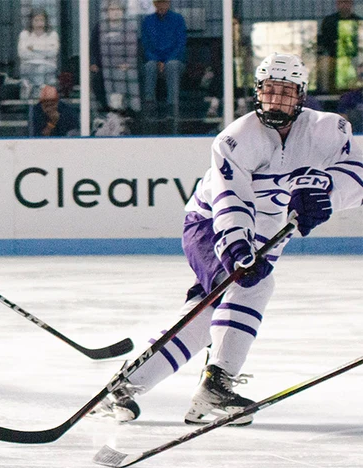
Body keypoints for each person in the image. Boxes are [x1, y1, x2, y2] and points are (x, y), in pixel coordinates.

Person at [92, 53, 363, 426]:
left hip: (269, 232)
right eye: (270, 90)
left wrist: (327, 192)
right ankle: (217, 386)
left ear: (300, 96)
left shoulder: (328, 130)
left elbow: (357, 172)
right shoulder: (235, 139)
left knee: (209, 313)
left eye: (286, 92)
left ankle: (126, 386)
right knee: (250, 286)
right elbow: (229, 199)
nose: (276, 99)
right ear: (258, 92)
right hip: (209, 224)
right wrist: (235, 245)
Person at [90, 0, 141, 115]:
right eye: (112, 10)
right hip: (103, 66)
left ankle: (123, 110)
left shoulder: (129, 26)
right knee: (98, 78)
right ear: (107, 12)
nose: (115, 12)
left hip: (123, 65)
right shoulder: (100, 27)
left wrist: (128, 63)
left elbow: (133, 47)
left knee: (121, 75)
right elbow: (93, 46)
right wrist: (93, 63)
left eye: (118, 9)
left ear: (123, 12)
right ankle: (106, 110)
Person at [141, 0, 186, 122]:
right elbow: (145, 45)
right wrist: (156, 60)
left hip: (174, 60)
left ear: (169, 3)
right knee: (149, 66)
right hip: (154, 60)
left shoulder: (178, 19)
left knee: (172, 65)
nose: (162, 6)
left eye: (164, 3)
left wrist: (166, 61)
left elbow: (180, 45)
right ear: (154, 5)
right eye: (159, 3)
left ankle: (172, 107)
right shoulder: (147, 21)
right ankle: (150, 106)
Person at [317, 0, 361, 93]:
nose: (344, 5)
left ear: (351, 4)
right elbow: (324, 42)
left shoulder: (358, 21)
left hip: (355, 59)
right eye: (341, 2)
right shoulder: (329, 21)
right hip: (333, 59)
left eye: (347, 3)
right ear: (337, 4)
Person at [17, 9, 59, 99]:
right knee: (35, 69)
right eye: (36, 20)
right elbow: (22, 54)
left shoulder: (52, 34)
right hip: (28, 65)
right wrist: (44, 52)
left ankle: (35, 93)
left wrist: (34, 48)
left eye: (42, 20)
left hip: (48, 66)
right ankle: (38, 92)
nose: (39, 23)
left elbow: (53, 52)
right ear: (31, 21)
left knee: (41, 69)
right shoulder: (24, 34)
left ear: (46, 21)